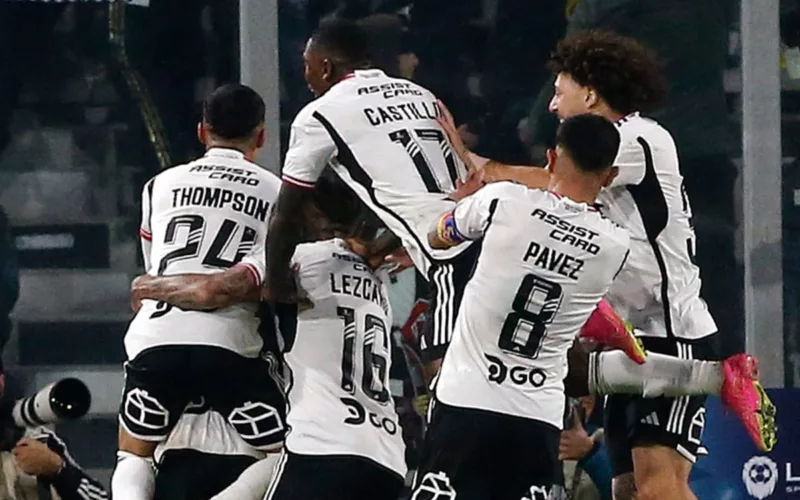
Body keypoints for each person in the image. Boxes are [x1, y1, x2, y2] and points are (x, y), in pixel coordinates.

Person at [438, 30, 777, 500]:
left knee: (660, 488)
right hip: (634, 333)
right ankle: (718, 378)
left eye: (559, 93)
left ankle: (723, 377)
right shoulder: (608, 159)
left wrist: (486, 172)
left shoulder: (639, 138)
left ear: (591, 94)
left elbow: (560, 178)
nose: (553, 106)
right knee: (627, 489)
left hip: (673, 331)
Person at [133, 173, 407, 500]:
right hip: (388, 460)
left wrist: (148, 286)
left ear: (307, 214)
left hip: (323, 449)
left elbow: (212, 291)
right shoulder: (374, 273)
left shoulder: (299, 259)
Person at [410, 114, 631, 500]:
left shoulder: (502, 202)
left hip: (466, 401)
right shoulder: (615, 245)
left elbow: (437, 236)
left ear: (549, 158)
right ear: (610, 176)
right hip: (537, 417)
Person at [264, 17, 478, 383]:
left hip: (449, 251)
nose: (306, 76)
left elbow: (287, 211)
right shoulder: (420, 95)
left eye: (307, 66)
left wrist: (276, 286)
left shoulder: (320, 114)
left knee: (444, 375)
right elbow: (431, 188)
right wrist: (380, 247)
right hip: (482, 226)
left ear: (326, 67)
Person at [111, 84, 286, 500]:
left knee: (133, 455)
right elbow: (272, 284)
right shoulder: (278, 192)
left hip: (157, 338)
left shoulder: (159, 185)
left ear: (201, 131)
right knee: (287, 455)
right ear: (261, 136)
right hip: (230, 344)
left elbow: (159, 270)